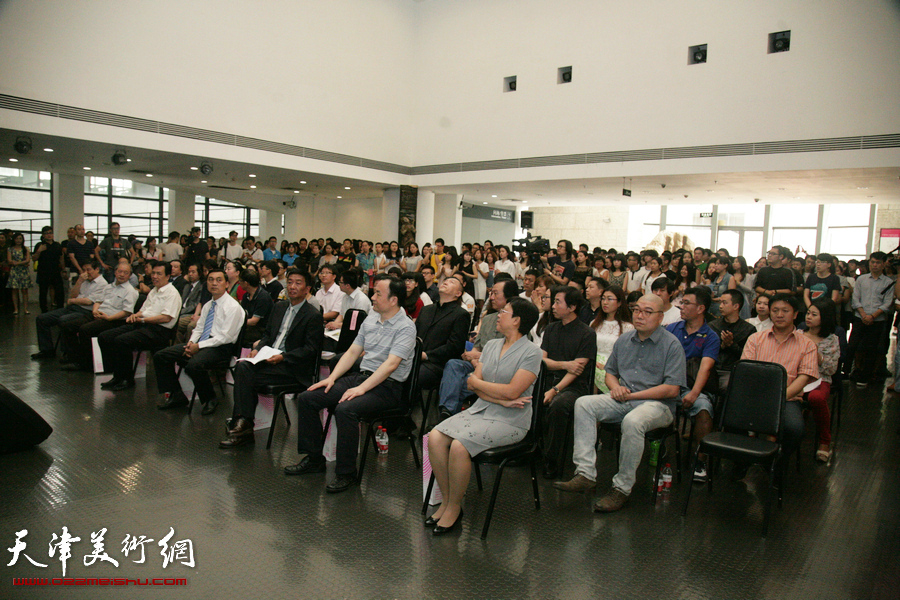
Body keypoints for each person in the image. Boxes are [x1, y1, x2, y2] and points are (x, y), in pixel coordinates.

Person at [553, 294, 686, 513]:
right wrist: (615, 387)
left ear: (661, 317)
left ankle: (621, 488)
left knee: (633, 421)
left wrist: (630, 395)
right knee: (584, 404)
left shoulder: (671, 345)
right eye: (636, 310)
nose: (639, 315)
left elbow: (672, 389)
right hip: (624, 397)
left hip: (658, 405)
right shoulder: (625, 339)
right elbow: (610, 373)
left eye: (647, 312)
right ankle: (585, 473)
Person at [285, 275, 417, 493]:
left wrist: (361, 389)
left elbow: (391, 365)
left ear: (393, 300)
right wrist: (332, 377)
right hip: (363, 377)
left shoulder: (405, 327)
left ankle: (346, 474)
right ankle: (314, 459)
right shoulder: (373, 317)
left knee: (345, 409)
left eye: (378, 294)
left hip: (388, 387)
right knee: (309, 397)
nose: (372, 297)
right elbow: (353, 351)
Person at [426, 298, 542, 535]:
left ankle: (454, 508)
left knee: (459, 446)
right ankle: (448, 501)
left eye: (504, 311)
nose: (498, 315)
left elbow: (513, 391)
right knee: (435, 436)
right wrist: (500, 397)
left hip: (512, 419)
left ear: (517, 320)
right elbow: (472, 384)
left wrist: (492, 390)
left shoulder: (532, 353)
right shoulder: (490, 346)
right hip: (482, 409)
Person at [220, 269, 324, 448]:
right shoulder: (279, 307)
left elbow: (310, 350)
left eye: (298, 283)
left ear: (307, 289)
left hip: (291, 367)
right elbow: (268, 335)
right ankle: (243, 424)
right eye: (289, 282)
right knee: (244, 366)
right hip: (268, 360)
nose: (292, 286)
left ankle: (242, 424)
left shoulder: (312, 315)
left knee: (245, 374)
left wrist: (283, 357)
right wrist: (258, 349)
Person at [154, 268, 244, 414]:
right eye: (210, 280)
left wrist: (198, 346)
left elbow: (225, 337)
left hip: (221, 348)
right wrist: (191, 343)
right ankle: (177, 395)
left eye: (219, 280)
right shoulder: (209, 304)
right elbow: (199, 328)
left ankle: (210, 399)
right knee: (161, 356)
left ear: (227, 284)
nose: (214, 283)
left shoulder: (233, 307)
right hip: (202, 344)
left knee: (193, 365)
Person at [741, 294, 818, 460]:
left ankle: (775, 463)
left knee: (795, 429)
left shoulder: (807, 344)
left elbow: (803, 378)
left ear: (796, 314)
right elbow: (747, 372)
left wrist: (778, 398)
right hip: (755, 396)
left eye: (785, 310)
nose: (779, 315)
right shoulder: (755, 339)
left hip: (787, 399)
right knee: (735, 424)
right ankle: (743, 462)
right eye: (775, 310)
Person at [435, 280, 518, 420]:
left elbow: (509, 355)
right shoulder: (488, 318)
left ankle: (446, 416)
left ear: (508, 297)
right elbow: (477, 346)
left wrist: (480, 357)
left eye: (495, 293)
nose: (490, 297)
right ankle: (449, 418)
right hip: (476, 364)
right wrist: (472, 356)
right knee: (453, 364)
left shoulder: (517, 323)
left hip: (496, 368)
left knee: (455, 385)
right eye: (491, 293)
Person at [97, 260, 182, 392]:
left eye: (159, 274)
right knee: (105, 336)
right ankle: (117, 375)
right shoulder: (154, 291)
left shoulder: (172, 293)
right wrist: (136, 315)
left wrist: (143, 320)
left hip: (159, 331)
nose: (154, 276)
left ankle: (127, 379)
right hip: (144, 325)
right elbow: (144, 310)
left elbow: (166, 318)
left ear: (167, 276)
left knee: (121, 341)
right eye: (153, 273)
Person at [540, 286, 597, 479]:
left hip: (574, 386)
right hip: (549, 379)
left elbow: (577, 370)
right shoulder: (550, 328)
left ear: (572, 307)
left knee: (558, 405)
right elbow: (542, 361)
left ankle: (552, 460)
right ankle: (531, 448)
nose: (553, 306)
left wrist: (555, 389)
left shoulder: (586, 333)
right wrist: (564, 364)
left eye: (558, 302)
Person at [666, 286, 720, 483]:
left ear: (701, 308)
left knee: (704, 409)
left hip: (692, 386)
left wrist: (695, 393)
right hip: (668, 384)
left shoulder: (711, 336)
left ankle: (701, 460)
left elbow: (705, 368)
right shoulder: (672, 329)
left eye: (687, 303)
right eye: (682, 302)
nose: (681, 306)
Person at [59, 261, 138, 372]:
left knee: (85, 330)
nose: (122, 274)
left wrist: (109, 318)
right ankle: (73, 357)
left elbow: (127, 312)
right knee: (68, 325)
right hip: (98, 314)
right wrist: (95, 311)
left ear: (129, 276)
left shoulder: (131, 291)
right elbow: (98, 301)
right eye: (120, 271)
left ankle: (85, 363)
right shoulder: (109, 287)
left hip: (114, 319)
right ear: (115, 272)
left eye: (126, 273)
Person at [32, 261, 109, 360]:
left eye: (89, 270)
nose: (86, 273)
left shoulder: (102, 284)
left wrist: (72, 301)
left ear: (97, 269)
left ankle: (68, 353)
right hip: (73, 308)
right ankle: (46, 350)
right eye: (84, 270)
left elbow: (88, 301)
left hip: (86, 312)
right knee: (42, 318)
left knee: (64, 320)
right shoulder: (84, 280)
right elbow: (73, 294)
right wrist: (79, 282)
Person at [801, 298, 840, 463]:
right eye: (808, 313)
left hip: (820, 378)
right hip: (798, 377)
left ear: (824, 317)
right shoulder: (798, 334)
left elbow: (831, 370)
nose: (808, 317)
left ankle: (825, 441)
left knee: (816, 397)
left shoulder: (832, 339)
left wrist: (818, 356)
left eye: (814, 314)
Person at [415, 277, 470, 391]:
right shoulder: (426, 310)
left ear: (458, 293)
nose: (446, 282)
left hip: (437, 364)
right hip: (414, 358)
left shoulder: (461, 314)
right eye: (445, 281)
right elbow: (414, 336)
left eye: (452, 282)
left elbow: (455, 347)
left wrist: (427, 355)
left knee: (412, 374)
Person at [847, 252, 893, 388]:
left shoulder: (888, 282)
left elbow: (887, 303)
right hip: (859, 317)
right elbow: (855, 298)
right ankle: (847, 372)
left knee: (871, 348)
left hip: (877, 320)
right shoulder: (861, 279)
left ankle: (865, 376)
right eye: (872, 262)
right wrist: (863, 314)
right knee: (853, 345)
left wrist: (872, 316)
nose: (875, 265)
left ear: (884, 264)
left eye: (878, 263)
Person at [708, 289, 757, 391]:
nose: (720, 306)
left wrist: (731, 345)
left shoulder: (748, 329)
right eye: (720, 302)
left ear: (736, 306)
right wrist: (722, 346)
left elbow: (748, 357)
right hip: (711, 368)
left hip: (733, 371)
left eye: (724, 303)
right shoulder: (713, 326)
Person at [590, 286, 633, 393]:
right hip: (593, 363)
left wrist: (607, 366)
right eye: (603, 298)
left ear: (619, 303)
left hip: (613, 366)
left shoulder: (628, 327)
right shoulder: (594, 323)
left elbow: (627, 354)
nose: (605, 302)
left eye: (609, 299)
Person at [33, 226, 64, 313]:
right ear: (43, 235)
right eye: (47, 233)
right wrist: (39, 251)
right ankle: (44, 310)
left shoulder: (57, 245)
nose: (49, 235)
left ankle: (60, 309)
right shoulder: (40, 245)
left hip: (56, 271)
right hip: (43, 272)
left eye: (50, 233)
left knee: (59, 291)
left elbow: (61, 258)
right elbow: (34, 258)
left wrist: (63, 269)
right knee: (43, 292)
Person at [238, 269, 273, 347]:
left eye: (240, 281)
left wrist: (236, 323)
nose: (239, 283)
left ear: (246, 283)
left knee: (238, 336)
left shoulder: (263, 297)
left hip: (261, 330)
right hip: (249, 327)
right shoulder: (246, 296)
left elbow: (254, 321)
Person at [5, 232, 32, 315]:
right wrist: (22, 263)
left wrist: (16, 263)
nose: (18, 240)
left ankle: (25, 309)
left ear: (22, 240)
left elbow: (28, 260)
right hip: (14, 271)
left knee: (24, 290)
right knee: (14, 290)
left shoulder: (26, 248)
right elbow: (9, 261)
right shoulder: (10, 249)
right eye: (16, 238)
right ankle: (16, 309)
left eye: (20, 238)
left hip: (24, 271)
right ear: (14, 239)